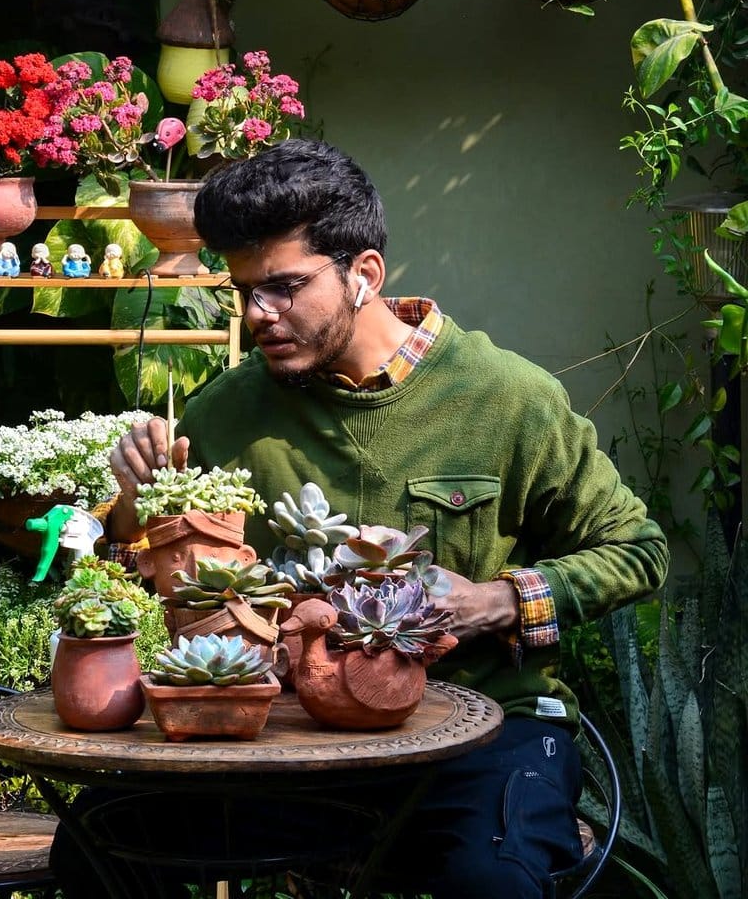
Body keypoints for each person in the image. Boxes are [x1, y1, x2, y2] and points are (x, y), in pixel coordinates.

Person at [54, 139, 669, 899]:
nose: (257, 314)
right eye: (243, 290)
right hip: (291, 743)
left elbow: (638, 551)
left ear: (364, 274)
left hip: (485, 736)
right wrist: (131, 508)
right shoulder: (227, 412)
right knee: (98, 841)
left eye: (283, 287)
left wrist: (497, 601)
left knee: (493, 882)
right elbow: (153, 578)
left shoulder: (509, 398)